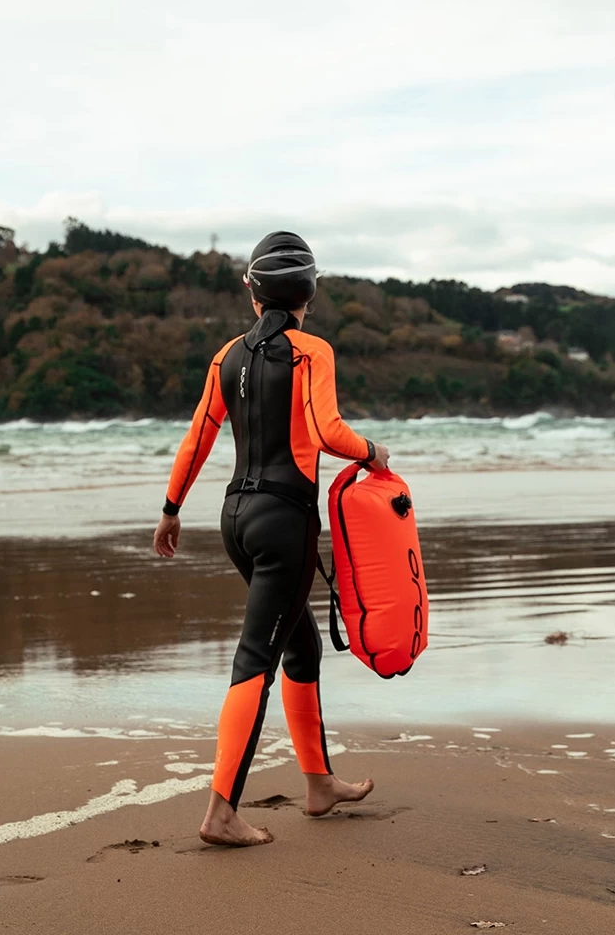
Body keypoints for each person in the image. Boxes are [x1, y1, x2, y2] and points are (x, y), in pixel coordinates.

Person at [153, 230, 390, 847]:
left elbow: (198, 437)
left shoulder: (227, 356)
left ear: (252, 291)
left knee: (301, 645)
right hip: (285, 521)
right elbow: (328, 431)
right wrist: (372, 451)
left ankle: (319, 784)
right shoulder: (312, 350)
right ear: (309, 293)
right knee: (256, 658)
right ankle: (220, 813)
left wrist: (171, 509)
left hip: (235, 518)